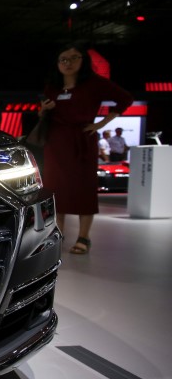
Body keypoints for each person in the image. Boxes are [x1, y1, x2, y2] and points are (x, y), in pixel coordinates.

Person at [38, 41, 133, 255]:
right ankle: (57, 234)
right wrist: (43, 110)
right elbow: (44, 116)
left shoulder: (94, 83)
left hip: (82, 139)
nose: (68, 63)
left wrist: (100, 124)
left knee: (84, 188)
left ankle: (84, 237)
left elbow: (125, 99)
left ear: (83, 60)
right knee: (55, 188)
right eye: (63, 59)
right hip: (56, 141)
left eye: (73, 58)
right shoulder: (52, 86)